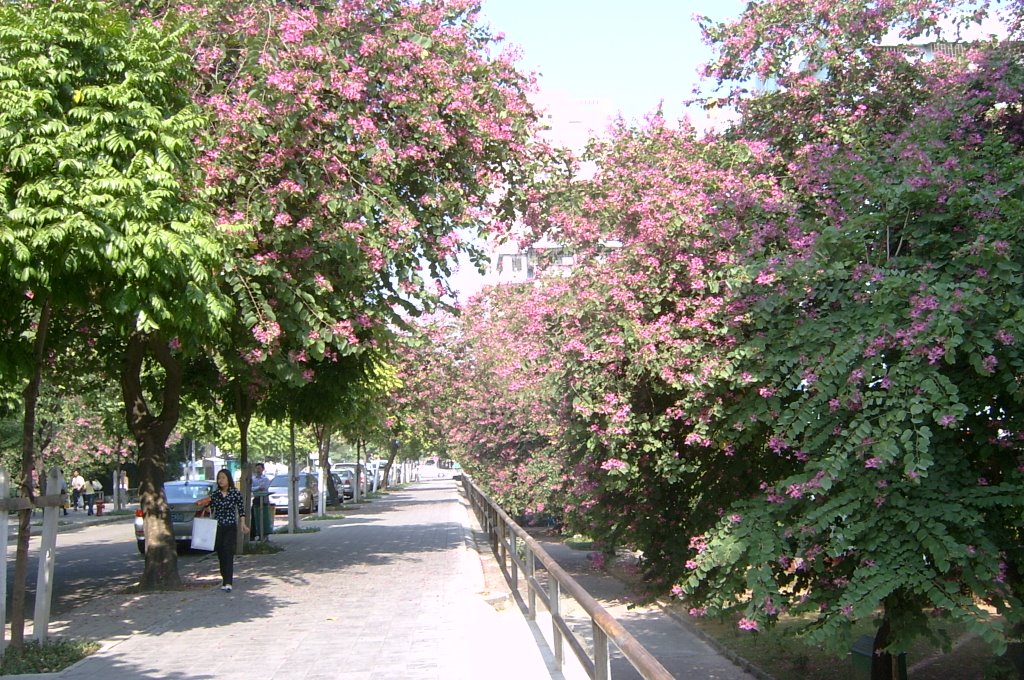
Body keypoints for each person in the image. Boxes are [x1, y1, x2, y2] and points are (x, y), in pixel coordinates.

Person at [197, 469, 248, 592]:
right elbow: (210, 509)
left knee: (228, 552)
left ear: (228, 479)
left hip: (230, 526)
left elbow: (241, 510)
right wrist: (206, 506)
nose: (221, 480)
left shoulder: (235, 493)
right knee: (221, 554)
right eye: (219, 478)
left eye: (223, 478)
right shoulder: (215, 495)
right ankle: (224, 578)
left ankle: (228, 582)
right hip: (218, 527)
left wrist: (242, 524)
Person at [250, 463, 271, 540]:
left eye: (259, 468)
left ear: (263, 469)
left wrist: (258, 488)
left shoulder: (265, 479)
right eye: (257, 468)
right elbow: (251, 488)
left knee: (264, 517)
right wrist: (258, 487)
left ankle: (264, 535)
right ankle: (254, 534)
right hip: (256, 499)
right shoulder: (253, 479)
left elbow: (265, 487)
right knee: (254, 517)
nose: (258, 470)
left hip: (264, 499)